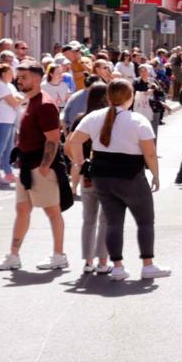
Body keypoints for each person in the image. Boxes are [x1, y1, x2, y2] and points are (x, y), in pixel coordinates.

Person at [65, 79, 167, 281]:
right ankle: (148, 265)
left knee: (113, 222)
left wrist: (79, 163)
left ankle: (118, 266)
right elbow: (150, 154)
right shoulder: (138, 121)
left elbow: (73, 141)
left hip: (102, 176)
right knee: (145, 221)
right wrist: (155, 174)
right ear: (130, 98)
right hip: (131, 176)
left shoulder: (94, 117)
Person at [0, 63, 67, 271]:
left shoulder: (44, 104)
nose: (19, 80)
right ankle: (14, 255)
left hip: (40, 166)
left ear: (36, 79)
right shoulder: (31, 101)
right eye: (19, 76)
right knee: (22, 209)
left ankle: (59, 255)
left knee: (52, 211)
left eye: (23, 77)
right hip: (27, 165)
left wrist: (44, 167)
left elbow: (53, 139)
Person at [70, 82, 111, 274]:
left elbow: (68, 145)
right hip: (107, 173)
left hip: (87, 173)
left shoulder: (81, 119)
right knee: (105, 219)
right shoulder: (110, 119)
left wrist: (79, 163)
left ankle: (88, 262)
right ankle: (103, 261)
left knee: (88, 219)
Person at [0, 52, 22, 188]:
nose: (12, 73)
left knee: (8, 148)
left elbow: (18, 99)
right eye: (10, 71)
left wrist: (20, 99)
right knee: (0, 147)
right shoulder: (0, 85)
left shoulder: (9, 86)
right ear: (4, 73)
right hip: (2, 119)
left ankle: (8, 173)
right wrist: (22, 99)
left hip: (10, 119)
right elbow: (15, 102)